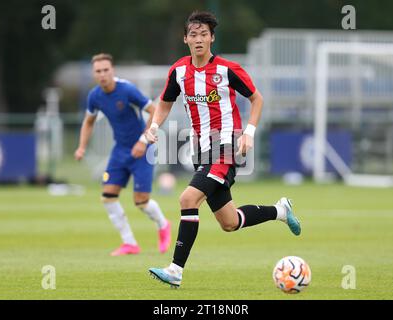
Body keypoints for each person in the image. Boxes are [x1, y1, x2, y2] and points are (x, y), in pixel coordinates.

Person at [146, 11, 301, 288]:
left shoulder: (227, 70)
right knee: (229, 222)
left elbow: (257, 99)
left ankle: (175, 270)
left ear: (212, 38)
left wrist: (249, 133)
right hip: (201, 151)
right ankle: (280, 210)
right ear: (185, 39)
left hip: (225, 147)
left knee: (187, 199)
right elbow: (165, 102)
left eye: (204, 34)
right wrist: (155, 126)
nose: (199, 39)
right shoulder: (179, 71)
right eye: (193, 34)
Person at [75, 53, 171, 256]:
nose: (102, 75)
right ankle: (130, 243)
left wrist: (143, 141)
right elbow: (89, 121)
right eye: (98, 71)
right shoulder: (94, 96)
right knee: (108, 196)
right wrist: (82, 146)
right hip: (120, 150)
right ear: (94, 74)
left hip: (143, 149)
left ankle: (163, 224)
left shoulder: (127, 90)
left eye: (105, 70)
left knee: (141, 201)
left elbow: (155, 111)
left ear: (113, 70)